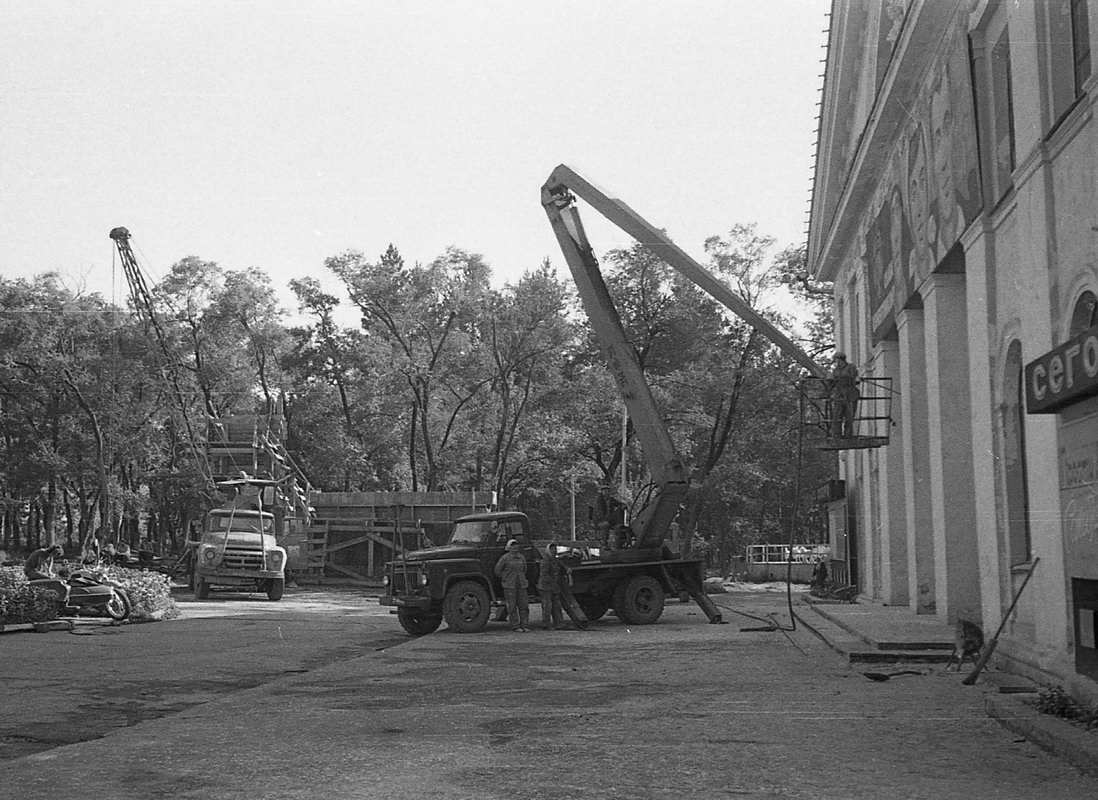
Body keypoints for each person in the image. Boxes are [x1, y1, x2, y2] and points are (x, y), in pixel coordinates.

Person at [494, 538, 530, 632]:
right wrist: (505, 577)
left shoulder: (521, 557)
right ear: (509, 547)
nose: (515, 547)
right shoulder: (504, 558)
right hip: (509, 586)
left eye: (516, 545)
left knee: (524, 606)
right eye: (512, 545)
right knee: (512, 606)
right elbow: (497, 570)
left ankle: (525, 625)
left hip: (521, 585)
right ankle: (515, 626)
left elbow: (525, 569)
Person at [537, 542, 566, 630]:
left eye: (555, 549)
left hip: (553, 586)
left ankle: (559, 624)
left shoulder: (555, 560)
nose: (554, 550)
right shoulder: (545, 560)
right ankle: (545, 624)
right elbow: (544, 574)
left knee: (557, 605)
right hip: (546, 587)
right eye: (552, 549)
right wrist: (552, 582)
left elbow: (562, 567)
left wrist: (567, 569)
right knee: (547, 606)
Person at [830, 352, 859, 438]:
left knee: (849, 414)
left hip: (850, 393)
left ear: (841, 359)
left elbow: (854, 377)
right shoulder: (835, 370)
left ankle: (848, 434)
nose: (837, 362)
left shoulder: (851, 367)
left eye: (838, 360)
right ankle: (837, 434)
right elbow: (833, 382)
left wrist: (846, 378)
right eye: (836, 360)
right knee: (837, 415)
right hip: (839, 394)